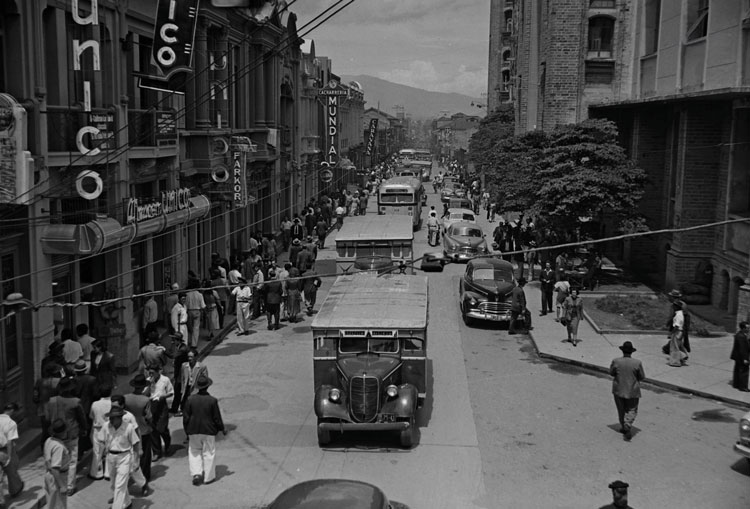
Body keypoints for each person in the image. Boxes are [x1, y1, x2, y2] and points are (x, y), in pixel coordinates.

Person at [43, 376, 87, 495]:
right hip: (71, 434)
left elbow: (47, 418)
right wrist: (84, 429)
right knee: (72, 461)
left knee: (55, 460)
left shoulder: (51, 401)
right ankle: (69, 486)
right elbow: (82, 418)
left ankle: (58, 482)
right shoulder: (75, 401)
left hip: (55, 433)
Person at [183, 374, 226, 486]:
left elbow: (186, 417)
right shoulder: (212, 401)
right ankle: (208, 477)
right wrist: (222, 428)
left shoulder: (190, 399)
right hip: (208, 430)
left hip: (193, 429)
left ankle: (196, 474)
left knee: (194, 451)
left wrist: (187, 430)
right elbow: (216, 417)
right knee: (209, 453)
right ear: (207, 387)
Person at [103, 406, 146, 509]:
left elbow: (135, 444)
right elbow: (103, 441)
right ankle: (127, 503)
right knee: (114, 484)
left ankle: (116, 507)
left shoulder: (129, 427)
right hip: (111, 457)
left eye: (114, 418)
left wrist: (136, 460)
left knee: (120, 485)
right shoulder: (106, 426)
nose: (111, 420)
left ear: (120, 417)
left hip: (124, 457)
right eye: (110, 418)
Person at [610, 341, 645, 442]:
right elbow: (642, 376)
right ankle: (628, 424)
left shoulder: (616, 361)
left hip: (618, 389)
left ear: (623, 351)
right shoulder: (637, 363)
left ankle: (623, 426)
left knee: (621, 409)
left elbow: (611, 373)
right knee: (632, 409)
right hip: (632, 390)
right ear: (631, 352)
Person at [122, 375, 154, 481]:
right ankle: (145, 476)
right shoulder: (145, 400)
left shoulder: (126, 398)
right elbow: (148, 416)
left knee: (131, 454)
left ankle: (130, 475)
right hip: (143, 430)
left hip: (129, 430)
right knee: (145, 456)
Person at [146, 365, 173, 460]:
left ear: (158, 372)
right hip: (152, 405)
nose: (151, 374)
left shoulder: (165, 380)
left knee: (162, 428)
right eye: (149, 373)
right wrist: (149, 385)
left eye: (152, 372)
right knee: (153, 430)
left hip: (161, 405)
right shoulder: (148, 381)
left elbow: (171, 392)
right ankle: (156, 451)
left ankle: (168, 445)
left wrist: (163, 397)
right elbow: (145, 393)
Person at [33, 363, 62, 453]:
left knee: (45, 430)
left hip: (43, 410)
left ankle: (44, 448)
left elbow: (35, 397)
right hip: (55, 409)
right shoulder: (59, 381)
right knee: (57, 428)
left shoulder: (39, 381)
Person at [43, 419, 71, 509]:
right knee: (59, 505)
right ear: (63, 432)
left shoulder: (49, 440)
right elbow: (55, 468)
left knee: (52, 504)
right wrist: (62, 486)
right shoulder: (58, 447)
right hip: (57, 477)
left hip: (49, 475)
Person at [88, 383, 113, 480]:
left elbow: (91, 416)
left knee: (97, 452)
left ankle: (96, 473)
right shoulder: (112, 403)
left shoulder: (95, 404)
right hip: (109, 429)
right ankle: (108, 472)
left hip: (97, 429)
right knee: (109, 450)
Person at [0, 403, 23, 504]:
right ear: (13, 411)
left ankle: (1, 501)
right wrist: (9, 456)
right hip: (4, 450)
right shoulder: (11, 423)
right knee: (11, 470)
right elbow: (9, 441)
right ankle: (15, 490)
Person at [169, 333, 190, 415]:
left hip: (182, 374)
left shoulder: (182, 349)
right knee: (177, 390)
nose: (172, 342)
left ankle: (181, 408)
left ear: (178, 340)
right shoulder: (179, 347)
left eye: (174, 340)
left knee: (180, 390)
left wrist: (163, 350)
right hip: (178, 372)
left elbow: (172, 355)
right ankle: (175, 408)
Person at [667, 302, 689, 367]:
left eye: (674, 306)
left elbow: (677, 326)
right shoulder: (679, 314)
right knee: (678, 346)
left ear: (677, 307)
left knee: (674, 347)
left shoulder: (678, 315)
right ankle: (683, 356)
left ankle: (675, 362)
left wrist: (671, 333)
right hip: (679, 332)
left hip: (677, 332)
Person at [730, 321, 750, 392]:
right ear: (743, 328)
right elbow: (742, 349)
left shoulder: (740, 334)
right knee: (744, 372)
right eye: (747, 328)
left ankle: (736, 384)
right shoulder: (741, 336)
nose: (748, 329)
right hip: (742, 357)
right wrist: (745, 359)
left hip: (737, 357)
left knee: (737, 370)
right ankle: (743, 387)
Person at [185, 285, 206, 349]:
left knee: (189, 327)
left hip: (189, 311)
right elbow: (203, 306)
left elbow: (185, 305)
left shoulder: (187, 294)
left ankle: (188, 341)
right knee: (196, 328)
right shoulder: (200, 295)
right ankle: (194, 344)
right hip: (197, 311)